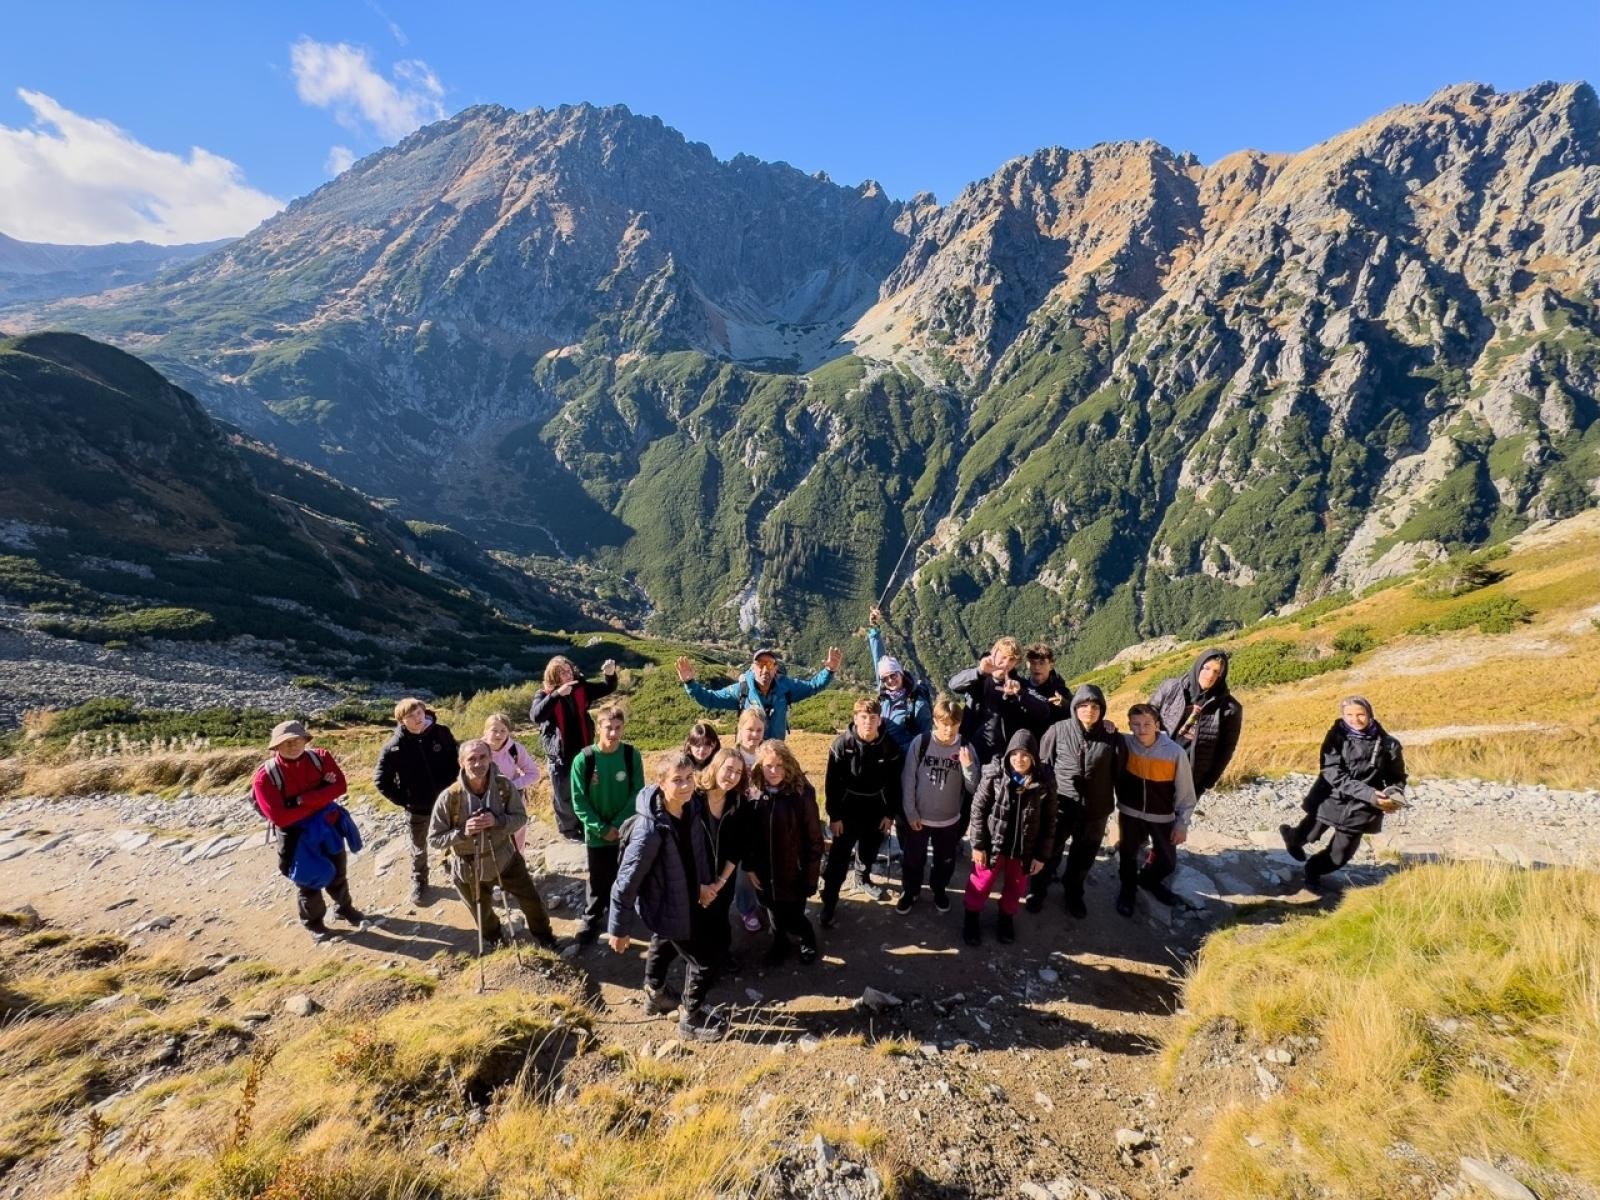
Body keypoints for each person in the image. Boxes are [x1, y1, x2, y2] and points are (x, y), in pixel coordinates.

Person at [608, 752, 731, 1041]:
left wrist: (702, 885)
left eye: (689, 778)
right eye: (677, 780)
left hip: (685, 895)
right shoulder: (648, 830)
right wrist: (619, 929)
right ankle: (691, 1017)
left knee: (663, 942)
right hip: (666, 904)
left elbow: (697, 853)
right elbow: (625, 883)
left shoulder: (690, 809)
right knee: (705, 959)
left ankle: (655, 993)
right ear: (660, 783)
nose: (687, 785)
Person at [428, 739, 556, 950]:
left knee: (532, 901)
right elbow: (434, 840)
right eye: (471, 759)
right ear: (461, 762)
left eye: (482, 757)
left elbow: (520, 818)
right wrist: (464, 832)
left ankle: (544, 936)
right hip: (468, 866)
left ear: (490, 758)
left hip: (505, 856)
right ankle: (496, 941)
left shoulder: (504, 786)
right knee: (481, 912)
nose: (478, 763)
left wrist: (498, 822)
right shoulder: (449, 798)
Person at [252, 720, 363, 942]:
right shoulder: (265, 777)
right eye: (286, 742)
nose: (292, 745)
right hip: (297, 836)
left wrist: (300, 800)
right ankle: (314, 924)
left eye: (296, 739)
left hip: (327, 828)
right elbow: (280, 817)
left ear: (305, 740)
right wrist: (322, 793)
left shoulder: (321, 757)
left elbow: (340, 786)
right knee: (308, 880)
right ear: (276, 747)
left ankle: (344, 908)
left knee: (338, 870)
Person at [1280, 697, 1407, 889]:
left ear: (1370, 714)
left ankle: (1313, 870)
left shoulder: (1389, 745)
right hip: (1329, 798)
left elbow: (1397, 777)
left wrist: (1393, 794)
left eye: (1360, 714)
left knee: (1340, 856)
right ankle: (1291, 838)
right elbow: (1332, 773)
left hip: (1362, 809)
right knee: (1307, 835)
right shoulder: (1336, 737)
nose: (1355, 719)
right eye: (1349, 715)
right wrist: (1370, 794)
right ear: (1343, 716)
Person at [1030, 684, 1124, 918]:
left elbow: (1119, 773)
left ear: (1102, 710)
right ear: (1074, 707)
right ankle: (1037, 890)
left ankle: (1073, 892)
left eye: (1094, 706)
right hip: (1060, 806)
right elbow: (1043, 766)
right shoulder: (1058, 730)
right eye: (1083, 705)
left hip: (1095, 810)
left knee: (1084, 855)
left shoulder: (1113, 738)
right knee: (1049, 850)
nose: (1089, 710)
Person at [963, 730, 1055, 946]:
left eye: (1025, 755)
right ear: (1007, 756)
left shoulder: (1044, 781)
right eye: (1014, 754)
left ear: (1033, 757)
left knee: (1016, 886)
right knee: (981, 882)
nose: (1019, 760)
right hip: (992, 844)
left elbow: (1050, 821)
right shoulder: (995, 775)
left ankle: (1006, 917)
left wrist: (1041, 855)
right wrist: (977, 845)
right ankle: (971, 917)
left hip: (1024, 849)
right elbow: (977, 810)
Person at [820, 697, 904, 926]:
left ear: (880, 720)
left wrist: (890, 814)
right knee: (838, 858)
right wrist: (834, 816)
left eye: (873, 718)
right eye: (863, 717)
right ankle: (829, 900)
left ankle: (862, 878)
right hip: (847, 811)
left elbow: (895, 784)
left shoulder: (890, 746)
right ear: (855, 718)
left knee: (869, 850)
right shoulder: (841, 745)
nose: (868, 722)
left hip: (876, 808)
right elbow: (831, 784)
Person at [568, 705, 647, 946]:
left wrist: (619, 825)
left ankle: (621, 917)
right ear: (598, 728)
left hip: (625, 831)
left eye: (618, 728)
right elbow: (579, 800)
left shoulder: (630, 755)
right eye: (608, 728)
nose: (613, 733)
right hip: (597, 834)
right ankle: (591, 917)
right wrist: (602, 828)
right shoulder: (585, 759)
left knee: (625, 874)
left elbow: (637, 793)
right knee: (598, 878)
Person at [896, 695, 980, 914]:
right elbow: (908, 780)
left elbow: (974, 788)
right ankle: (910, 891)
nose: (949, 730)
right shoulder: (921, 742)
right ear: (935, 722)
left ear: (960, 724)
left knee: (945, 861)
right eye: (944, 724)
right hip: (920, 817)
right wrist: (910, 813)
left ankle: (939, 890)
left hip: (949, 819)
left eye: (954, 725)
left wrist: (968, 767)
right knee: (913, 860)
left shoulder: (965, 747)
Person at [1114, 703, 1198, 918]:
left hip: (1162, 815)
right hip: (1130, 812)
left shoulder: (1175, 753)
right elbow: (1106, 736)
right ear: (1130, 725)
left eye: (1147, 724)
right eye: (1136, 724)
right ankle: (1128, 890)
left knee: (1167, 861)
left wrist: (1182, 824)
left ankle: (1149, 881)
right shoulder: (1125, 743)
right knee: (1128, 854)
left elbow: (1186, 793)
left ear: (1157, 725)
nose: (1142, 729)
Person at [373, 698, 459, 905]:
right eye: (410, 716)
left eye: (419, 713)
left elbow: (457, 760)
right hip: (418, 808)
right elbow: (381, 781)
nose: (417, 719)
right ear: (402, 721)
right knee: (419, 846)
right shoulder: (394, 747)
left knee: (454, 835)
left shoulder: (442, 733)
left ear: (425, 712)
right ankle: (420, 880)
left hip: (448, 801)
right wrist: (406, 800)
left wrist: (457, 787)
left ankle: (451, 863)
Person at [745, 740, 824, 966]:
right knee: (773, 913)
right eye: (768, 766)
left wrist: (811, 876)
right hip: (764, 871)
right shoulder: (754, 792)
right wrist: (749, 867)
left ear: (788, 765)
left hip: (794, 871)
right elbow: (748, 835)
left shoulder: (802, 793)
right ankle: (779, 943)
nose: (774, 772)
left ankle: (807, 937)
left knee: (794, 915)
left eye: (780, 765)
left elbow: (814, 839)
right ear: (760, 766)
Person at [530, 655, 619, 842]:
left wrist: (610, 675)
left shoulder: (581, 688)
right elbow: (536, 716)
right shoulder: (544, 695)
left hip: (584, 749)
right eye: (561, 672)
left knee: (587, 788)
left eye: (568, 669)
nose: (567, 673)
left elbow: (607, 687)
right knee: (563, 793)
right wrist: (556, 695)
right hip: (559, 754)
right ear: (553, 675)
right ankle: (568, 830)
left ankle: (585, 823)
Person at [675, 645, 843, 741]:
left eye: (769, 664)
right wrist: (690, 683)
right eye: (760, 664)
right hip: (748, 757)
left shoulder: (786, 687)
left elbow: (813, 686)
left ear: (775, 669)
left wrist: (829, 670)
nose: (764, 669)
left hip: (775, 756)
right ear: (752, 668)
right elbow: (709, 699)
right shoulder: (741, 690)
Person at [1150, 649, 1243, 798]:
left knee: (1174, 820)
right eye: (1207, 668)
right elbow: (1149, 712)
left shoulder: (1230, 709)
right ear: (1198, 666)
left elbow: (1226, 749)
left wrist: (1207, 783)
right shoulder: (1172, 687)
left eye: (1216, 672)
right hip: (1154, 764)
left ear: (1221, 675)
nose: (1210, 675)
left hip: (1189, 777)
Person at [949, 637, 1051, 766]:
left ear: (1017, 663)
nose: (1006, 663)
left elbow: (1044, 711)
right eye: (1003, 657)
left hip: (1005, 759)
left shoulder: (1019, 686)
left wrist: (1020, 694)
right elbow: (953, 684)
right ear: (994, 653)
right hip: (972, 753)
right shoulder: (977, 679)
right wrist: (980, 672)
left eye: (1011, 659)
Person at [697, 749, 756, 964]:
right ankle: (699, 962)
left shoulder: (738, 803)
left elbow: (737, 847)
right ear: (715, 766)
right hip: (694, 874)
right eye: (728, 769)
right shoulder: (694, 797)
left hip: (723, 875)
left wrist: (721, 882)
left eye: (738, 772)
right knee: (696, 919)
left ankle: (723, 953)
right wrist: (700, 885)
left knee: (720, 916)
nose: (732, 777)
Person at [866, 606, 932, 752]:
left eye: (893, 675)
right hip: (882, 759)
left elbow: (925, 739)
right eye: (885, 678)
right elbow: (879, 659)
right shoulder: (884, 694)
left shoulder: (917, 703)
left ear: (900, 673)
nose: (890, 680)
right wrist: (874, 628)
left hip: (904, 763)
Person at [484, 712, 542, 854]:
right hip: (486, 802)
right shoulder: (478, 750)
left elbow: (533, 773)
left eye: (503, 731)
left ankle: (518, 868)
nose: (499, 735)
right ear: (485, 731)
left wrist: (512, 785)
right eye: (494, 730)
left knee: (517, 837)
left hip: (513, 800)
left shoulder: (515, 749)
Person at [1021, 643, 1071, 736]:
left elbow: (1077, 712)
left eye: (1041, 663)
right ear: (1027, 664)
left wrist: (1064, 704)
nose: (1037, 667)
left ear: (1051, 665)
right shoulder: (1021, 689)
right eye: (1033, 662)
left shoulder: (1061, 690)